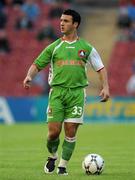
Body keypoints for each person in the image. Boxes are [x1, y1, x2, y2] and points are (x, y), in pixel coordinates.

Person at [23, 9, 110, 175]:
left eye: (66, 21)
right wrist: (29, 76)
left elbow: (100, 68)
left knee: (71, 131)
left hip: (77, 94)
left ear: (75, 24)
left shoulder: (86, 47)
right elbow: (37, 64)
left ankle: (62, 166)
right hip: (57, 93)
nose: (61, 23)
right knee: (53, 132)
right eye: (61, 20)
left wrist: (105, 87)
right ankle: (53, 156)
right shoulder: (55, 47)